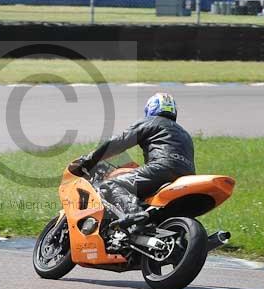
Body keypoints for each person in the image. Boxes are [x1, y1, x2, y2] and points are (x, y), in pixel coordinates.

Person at [68, 92, 195, 228]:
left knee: (110, 185)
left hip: (162, 169)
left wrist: (89, 161)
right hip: (187, 176)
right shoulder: (184, 133)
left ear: (151, 109)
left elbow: (118, 142)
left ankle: (134, 214)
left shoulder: (151, 122)